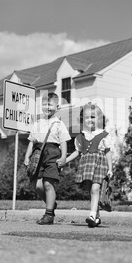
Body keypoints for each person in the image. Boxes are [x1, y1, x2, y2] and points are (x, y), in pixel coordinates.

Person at [24, 92, 71, 225]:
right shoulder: (37, 123)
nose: (47, 107)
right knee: (37, 186)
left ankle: (49, 214)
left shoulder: (59, 124)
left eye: (50, 104)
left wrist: (63, 158)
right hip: (38, 154)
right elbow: (31, 141)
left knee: (48, 184)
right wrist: (27, 156)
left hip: (53, 153)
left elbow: (64, 142)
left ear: (58, 107)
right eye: (44, 104)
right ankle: (51, 203)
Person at [65, 102, 113, 228]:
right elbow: (77, 152)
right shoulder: (81, 136)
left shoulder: (103, 135)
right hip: (86, 164)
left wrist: (110, 169)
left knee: (95, 189)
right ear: (82, 120)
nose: (89, 120)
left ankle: (91, 215)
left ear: (99, 119)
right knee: (90, 191)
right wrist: (65, 160)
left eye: (92, 117)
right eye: (86, 117)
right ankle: (96, 217)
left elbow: (108, 152)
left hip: (99, 163)